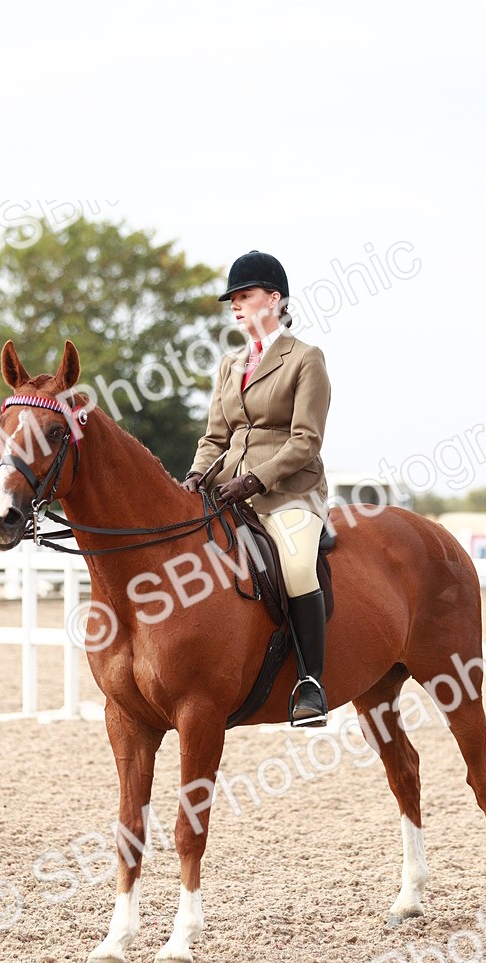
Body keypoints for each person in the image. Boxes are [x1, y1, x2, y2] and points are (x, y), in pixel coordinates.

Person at [182, 250, 332, 726]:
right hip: (228, 491)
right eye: (233, 299)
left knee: (295, 566)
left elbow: (306, 440)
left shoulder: (305, 359)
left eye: (244, 296)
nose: (236, 305)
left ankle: (311, 683)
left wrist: (256, 479)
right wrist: (194, 477)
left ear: (274, 298)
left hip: (289, 493)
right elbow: (215, 438)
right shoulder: (230, 364)